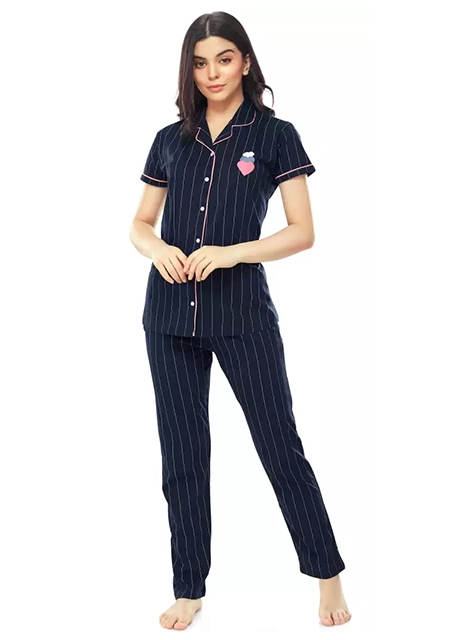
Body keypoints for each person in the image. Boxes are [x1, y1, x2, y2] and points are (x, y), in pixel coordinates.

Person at [129, 10, 352, 631]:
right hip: (168, 315)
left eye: (224, 59)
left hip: (242, 315)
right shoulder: (170, 139)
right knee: (182, 457)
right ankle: (189, 587)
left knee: (280, 447)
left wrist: (232, 253)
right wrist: (157, 248)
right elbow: (139, 224)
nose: (213, 73)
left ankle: (327, 575)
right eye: (200, 63)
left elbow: (303, 232)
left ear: (245, 61)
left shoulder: (276, 135)